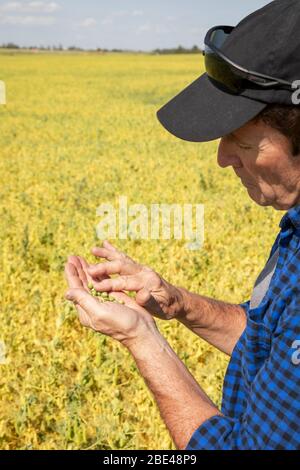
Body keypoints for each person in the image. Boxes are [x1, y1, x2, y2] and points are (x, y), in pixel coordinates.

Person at [65, 0, 300, 450]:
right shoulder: (295, 223)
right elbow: (269, 342)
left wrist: (141, 338)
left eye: (243, 141)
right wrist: (176, 303)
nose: (222, 158)